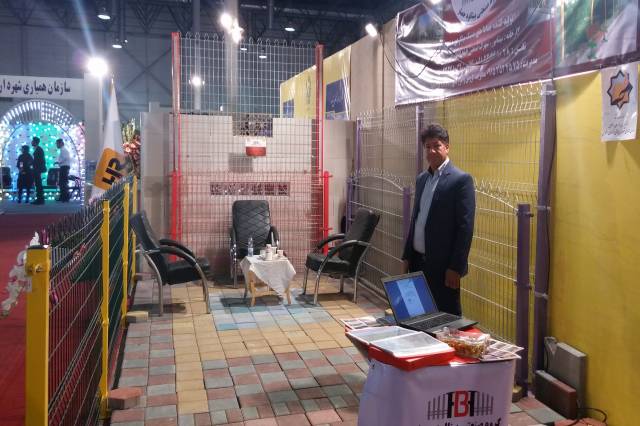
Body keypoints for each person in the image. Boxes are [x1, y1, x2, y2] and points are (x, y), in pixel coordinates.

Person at [401, 124, 476, 315]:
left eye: (437, 145)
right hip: (417, 263)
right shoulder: (422, 179)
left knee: (445, 319)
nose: (431, 151)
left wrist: (455, 268)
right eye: (427, 146)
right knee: (417, 315)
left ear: (447, 147)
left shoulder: (461, 180)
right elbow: (416, 220)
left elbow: (465, 228)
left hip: (443, 268)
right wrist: (407, 256)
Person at [31, 136, 46, 205]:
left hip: (37, 169)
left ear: (35, 142)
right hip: (37, 169)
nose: (31, 142)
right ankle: (40, 199)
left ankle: (40, 199)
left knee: (38, 184)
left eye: (32, 141)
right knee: (38, 184)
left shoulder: (39, 149)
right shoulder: (38, 149)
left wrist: (34, 165)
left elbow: (40, 160)